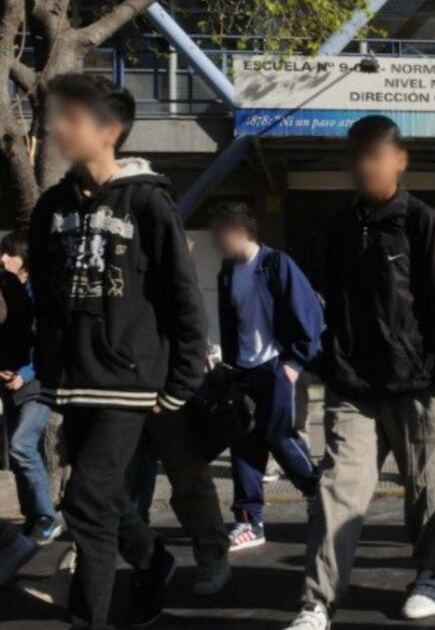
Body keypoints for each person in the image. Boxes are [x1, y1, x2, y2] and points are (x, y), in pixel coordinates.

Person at [28, 74, 208, 628]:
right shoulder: (51, 207)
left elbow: (182, 297)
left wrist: (180, 382)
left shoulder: (149, 203)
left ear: (111, 129)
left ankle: (89, 619)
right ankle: (154, 562)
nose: (59, 128)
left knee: (84, 503)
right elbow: (46, 297)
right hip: (72, 377)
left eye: (72, 118)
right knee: (103, 499)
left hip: (128, 381)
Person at [291, 115, 435, 630]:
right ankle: (316, 601)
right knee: (337, 491)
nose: (362, 166)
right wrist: (328, 360)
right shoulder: (341, 226)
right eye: (355, 156)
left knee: (426, 488)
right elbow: (326, 299)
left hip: (418, 381)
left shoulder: (420, 221)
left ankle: (432, 573)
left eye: (373, 155)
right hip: (354, 385)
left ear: (398, 160)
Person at [211, 201, 323, 552]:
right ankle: (249, 521)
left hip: (276, 366)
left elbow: (310, 314)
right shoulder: (227, 272)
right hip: (244, 370)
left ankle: (317, 491)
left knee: (278, 435)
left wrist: (293, 363)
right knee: (244, 443)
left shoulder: (276, 264)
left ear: (240, 232)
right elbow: (231, 324)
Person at [0, 231, 61, 545]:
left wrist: (25, 371)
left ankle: (47, 517)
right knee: (19, 450)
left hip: (39, 381)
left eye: (9, 253)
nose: (3, 259)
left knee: (22, 445)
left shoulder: (39, 293)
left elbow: (45, 341)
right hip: (13, 383)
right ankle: (32, 518)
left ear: (24, 257)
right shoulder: (9, 291)